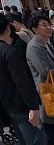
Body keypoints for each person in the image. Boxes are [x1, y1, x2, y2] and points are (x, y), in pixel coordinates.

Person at [0, 13, 43, 145]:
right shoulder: (10, 52)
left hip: (7, 104)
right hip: (21, 105)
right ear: (8, 28)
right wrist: (33, 107)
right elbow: (22, 82)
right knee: (36, 140)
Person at [24, 13, 54, 145]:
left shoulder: (47, 43)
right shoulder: (34, 47)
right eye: (44, 25)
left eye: (49, 25)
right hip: (47, 92)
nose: (49, 28)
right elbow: (44, 71)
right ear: (35, 29)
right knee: (50, 131)